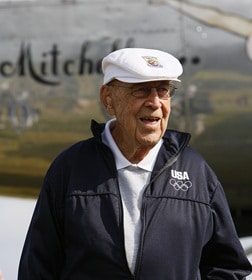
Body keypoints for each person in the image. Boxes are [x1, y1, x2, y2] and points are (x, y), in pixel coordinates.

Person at [18, 48, 252, 280]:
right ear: (108, 99)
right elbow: (38, 269)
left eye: (163, 91)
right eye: (140, 91)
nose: (155, 103)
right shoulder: (69, 169)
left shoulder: (196, 171)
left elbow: (228, 268)